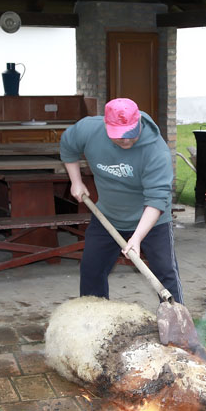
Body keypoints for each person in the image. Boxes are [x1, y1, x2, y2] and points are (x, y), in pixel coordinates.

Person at [60, 98, 184, 303]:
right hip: (107, 216)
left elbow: (156, 200)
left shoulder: (156, 151)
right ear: (106, 125)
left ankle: (177, 326)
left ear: (138, 123)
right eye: (118, 136)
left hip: (151, 221)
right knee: (92, 270)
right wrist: (76, 182)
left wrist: (136, 238)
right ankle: (94, 323)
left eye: (130, 134)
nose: (125, 140)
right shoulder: (89, 130)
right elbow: (68, 145)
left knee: (165, 274)